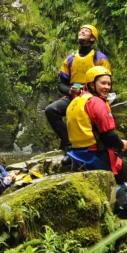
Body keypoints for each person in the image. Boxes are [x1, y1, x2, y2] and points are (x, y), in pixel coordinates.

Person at [44, 24, 111, 160]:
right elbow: (61, 83)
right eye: (81, 30)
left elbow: (106, 82)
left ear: (93, 38)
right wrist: (69, 90)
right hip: (74, 97)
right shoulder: (70, 59)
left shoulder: (100, 58)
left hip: (93, 97)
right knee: (51, 110)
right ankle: (69, 144)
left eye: (86, 31)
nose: (82, 31)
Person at [65, 66, 127, 184]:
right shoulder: (96, 102)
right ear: (92, 84)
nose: (107, 87)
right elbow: (109, 135)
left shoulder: (76, 101)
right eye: (103, 83)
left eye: (109, 84)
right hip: (94, 154)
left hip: (76, 153)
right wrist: (121, 144)